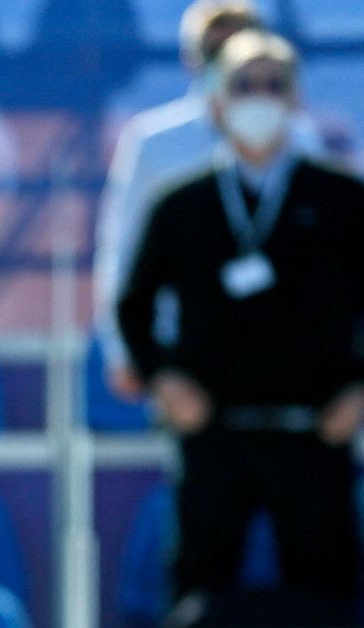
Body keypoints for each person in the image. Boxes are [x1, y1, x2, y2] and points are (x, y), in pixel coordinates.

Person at [117, 30, 364, 628]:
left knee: (329, 600)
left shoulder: (343, 200)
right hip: (213, 435)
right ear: (216, 102)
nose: (260, 98)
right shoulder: (183, 203)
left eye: (274, 84)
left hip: (317, 433)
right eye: (244, 84)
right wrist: (164, 379)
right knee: (198, 595)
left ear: (297, 99)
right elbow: (134, 303)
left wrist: (361, 392)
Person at [94, 1, 323, 400]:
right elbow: (122, 248)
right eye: (215, 51)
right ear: (192, 58)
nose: (230, 62)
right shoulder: (155, 142)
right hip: (186, 350)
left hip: (287, 353)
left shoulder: (300, 139)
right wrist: (126, 352)